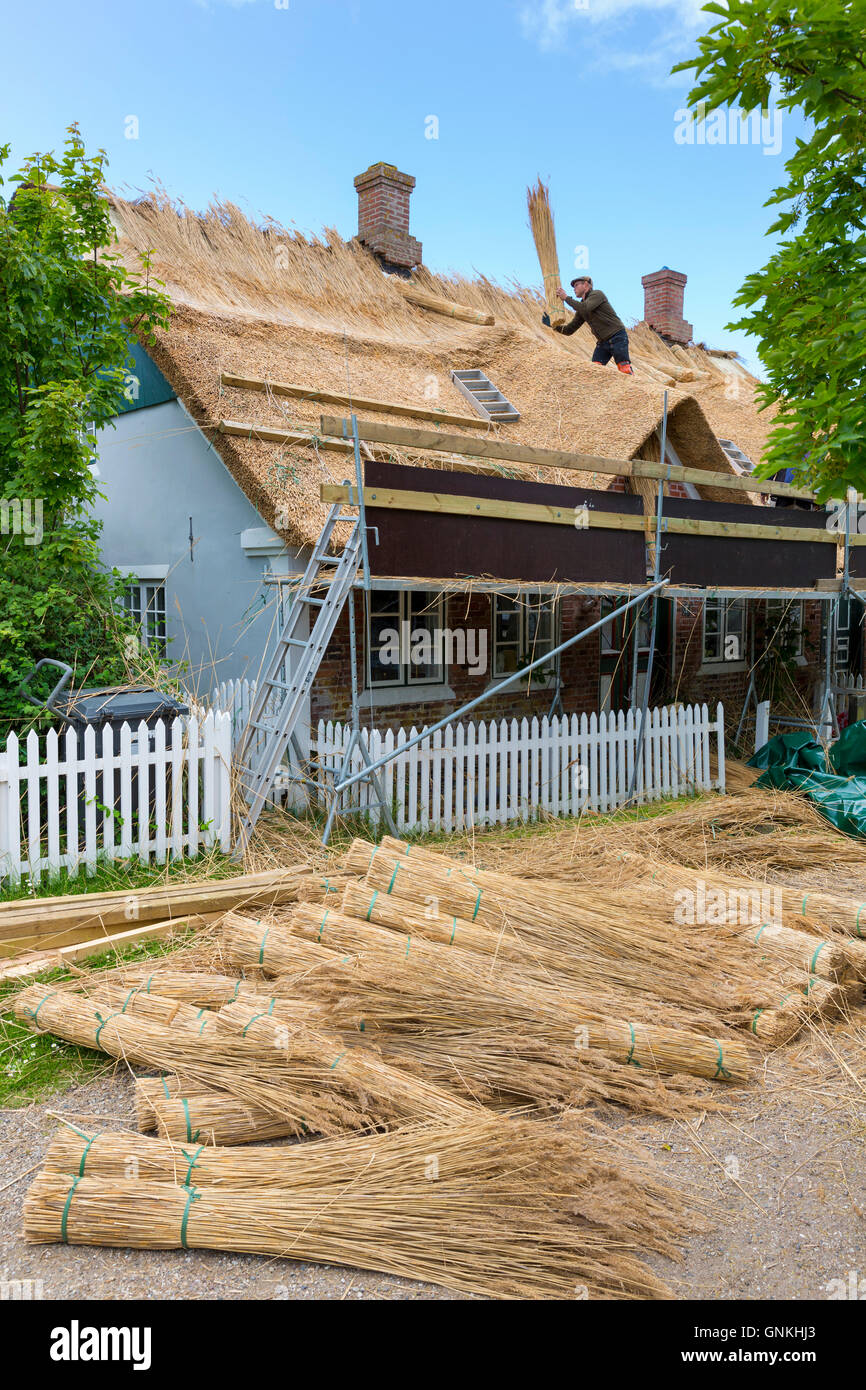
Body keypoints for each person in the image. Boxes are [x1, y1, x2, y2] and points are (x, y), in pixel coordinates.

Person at [542, 276, 634, 375]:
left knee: (624, 368)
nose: (574, 288)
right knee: (593, 371)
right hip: (603, 343)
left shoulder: (597, 294)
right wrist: (553, 325)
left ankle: (635, 389)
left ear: (586, 285)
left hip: (617, 336)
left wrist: (566, 298)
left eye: (576, 285)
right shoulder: (582, 307)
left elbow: (585, 308)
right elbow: (570, 329)